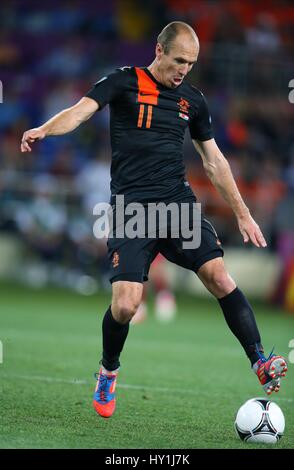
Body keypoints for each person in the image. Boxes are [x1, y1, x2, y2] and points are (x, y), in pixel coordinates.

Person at [21, 22, 288, 419]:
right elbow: (80, 111)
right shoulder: (123, 81)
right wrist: (45, 130)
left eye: (192, 63)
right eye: (179, 60)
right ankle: (108, 370)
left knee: (219, 276)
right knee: (127, 305)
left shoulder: (193, 101)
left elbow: (214, 162)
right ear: (159, 50)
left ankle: (259, 361)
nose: (184, 69)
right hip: (131, 209)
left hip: (177, 205)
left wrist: (244, 213)